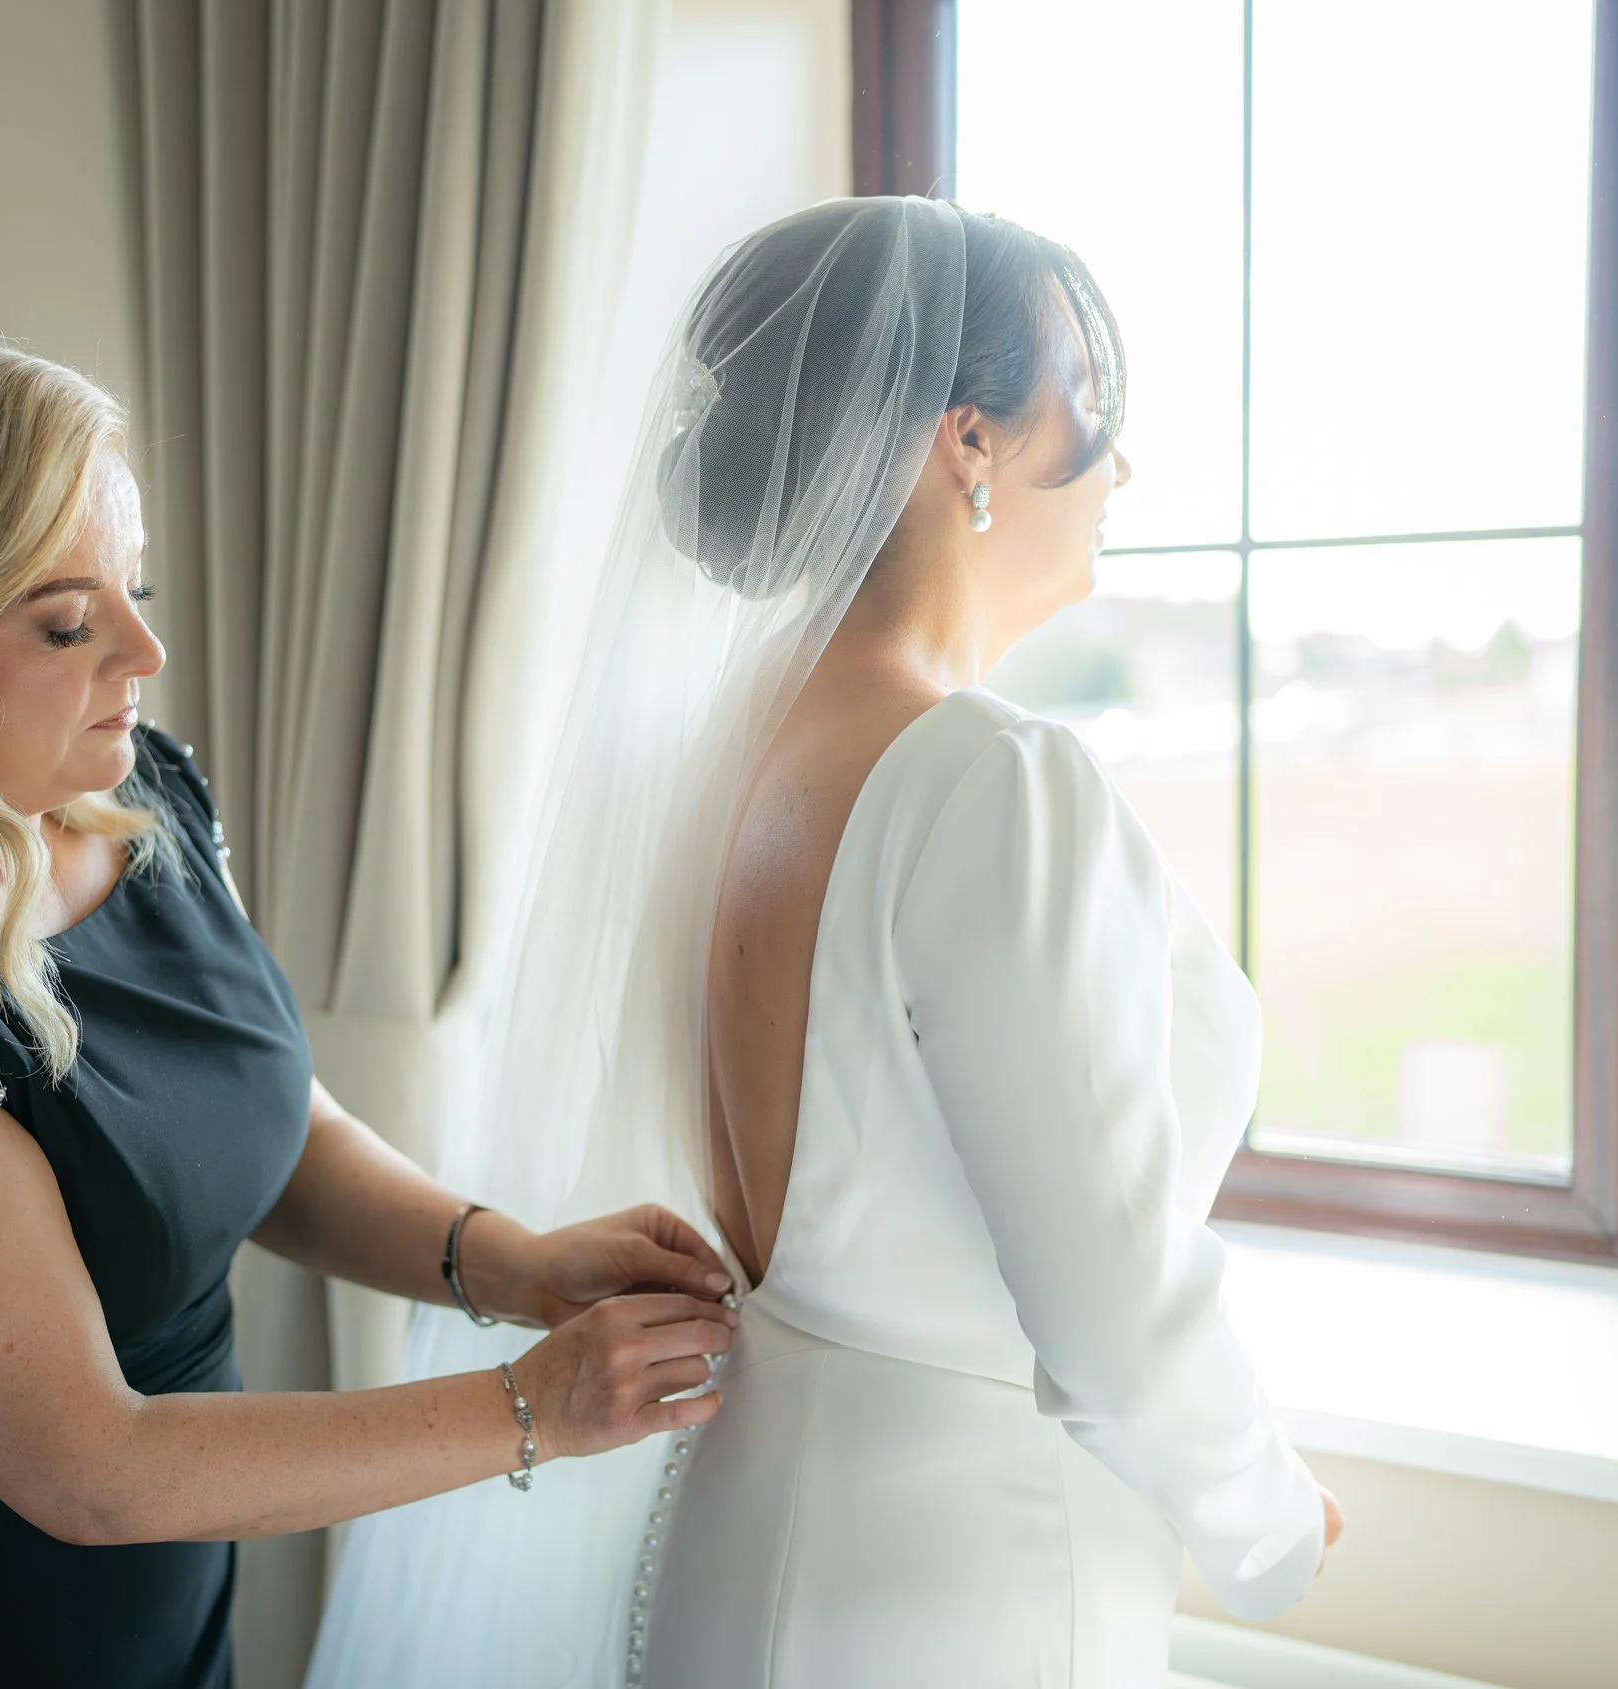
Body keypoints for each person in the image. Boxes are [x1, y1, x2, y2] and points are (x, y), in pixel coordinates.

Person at [0, 326, 736, 1689]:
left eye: (135, 587)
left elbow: (253, 1121)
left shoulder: (137, 801)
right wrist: (531, 1408)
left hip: (141, 1593)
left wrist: (506, 1263)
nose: (147, 647)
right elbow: (94, 1465)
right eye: (68, 622)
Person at [310, 198, 1339, 1688]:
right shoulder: (991, 780)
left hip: (749, 1516)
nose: (1122, 465)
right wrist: (1270, 1522)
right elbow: (1111, 1295)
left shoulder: (718, 761)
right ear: (966, 438)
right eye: (1089, 404)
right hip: (966, 1580)